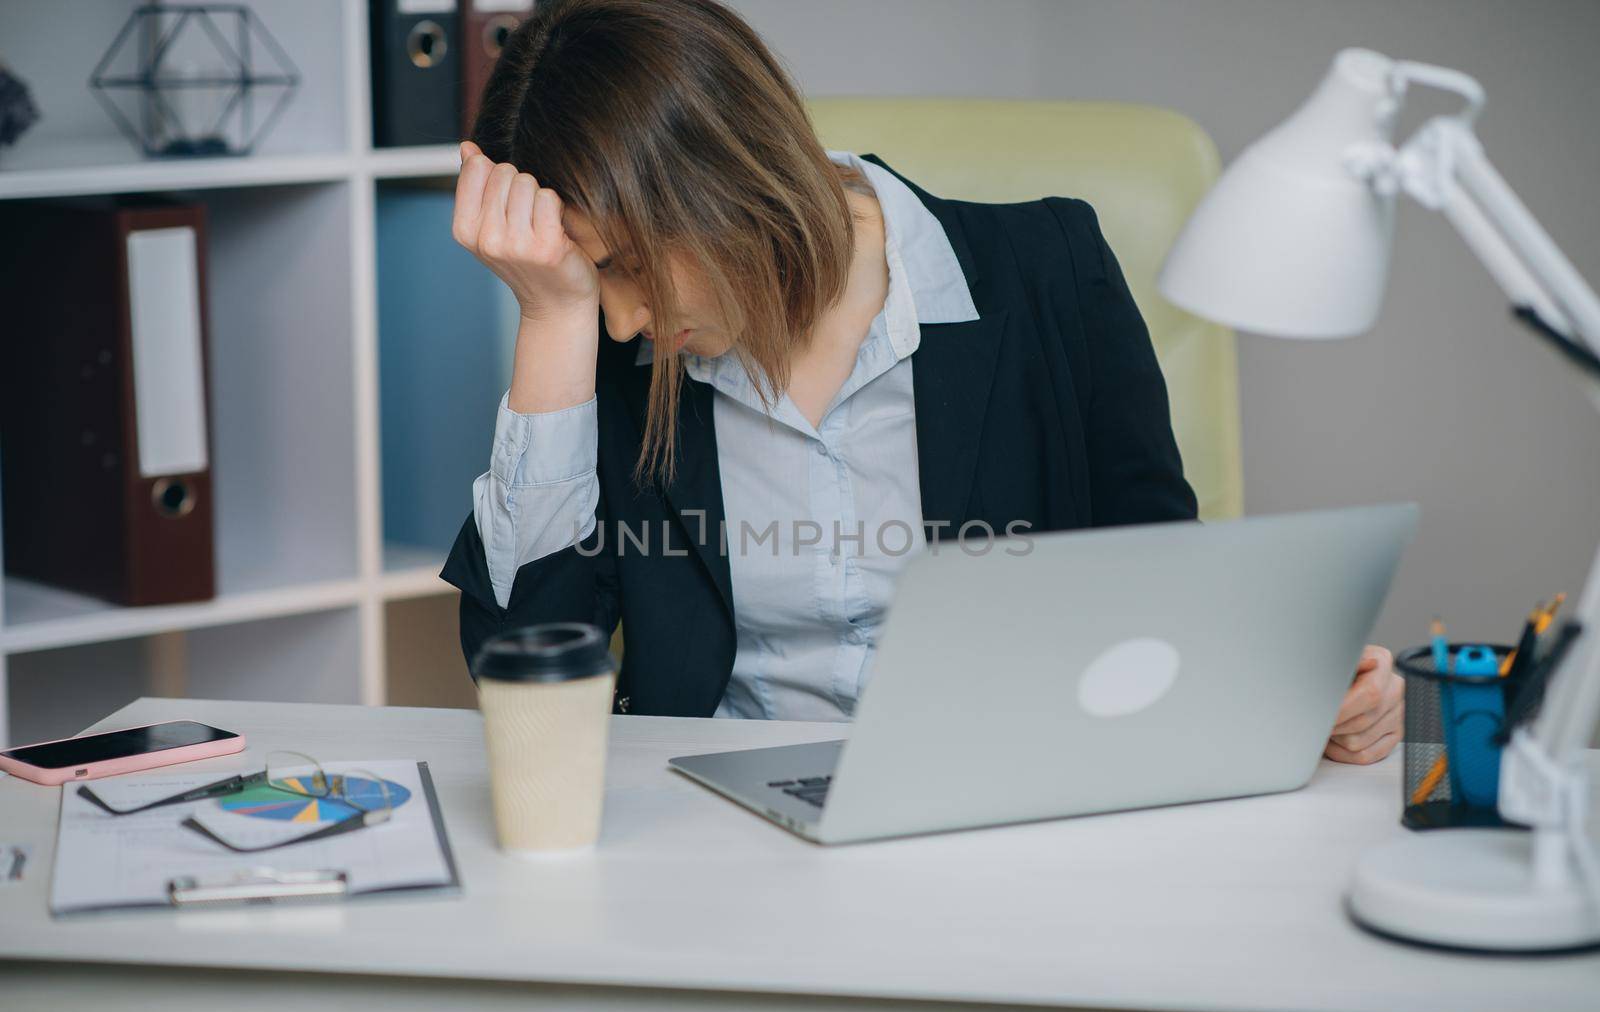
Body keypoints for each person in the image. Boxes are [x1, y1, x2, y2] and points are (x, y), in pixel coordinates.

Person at [440, 0, 1404, 764]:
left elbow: (1160, 589)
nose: (620, 317)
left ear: (718, 182)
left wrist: (1295, 687)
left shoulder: (1050, 271)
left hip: (1009, 809)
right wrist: (550, 319)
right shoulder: (608, 353)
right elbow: (521, 682)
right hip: (714, 847)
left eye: (623, 269)